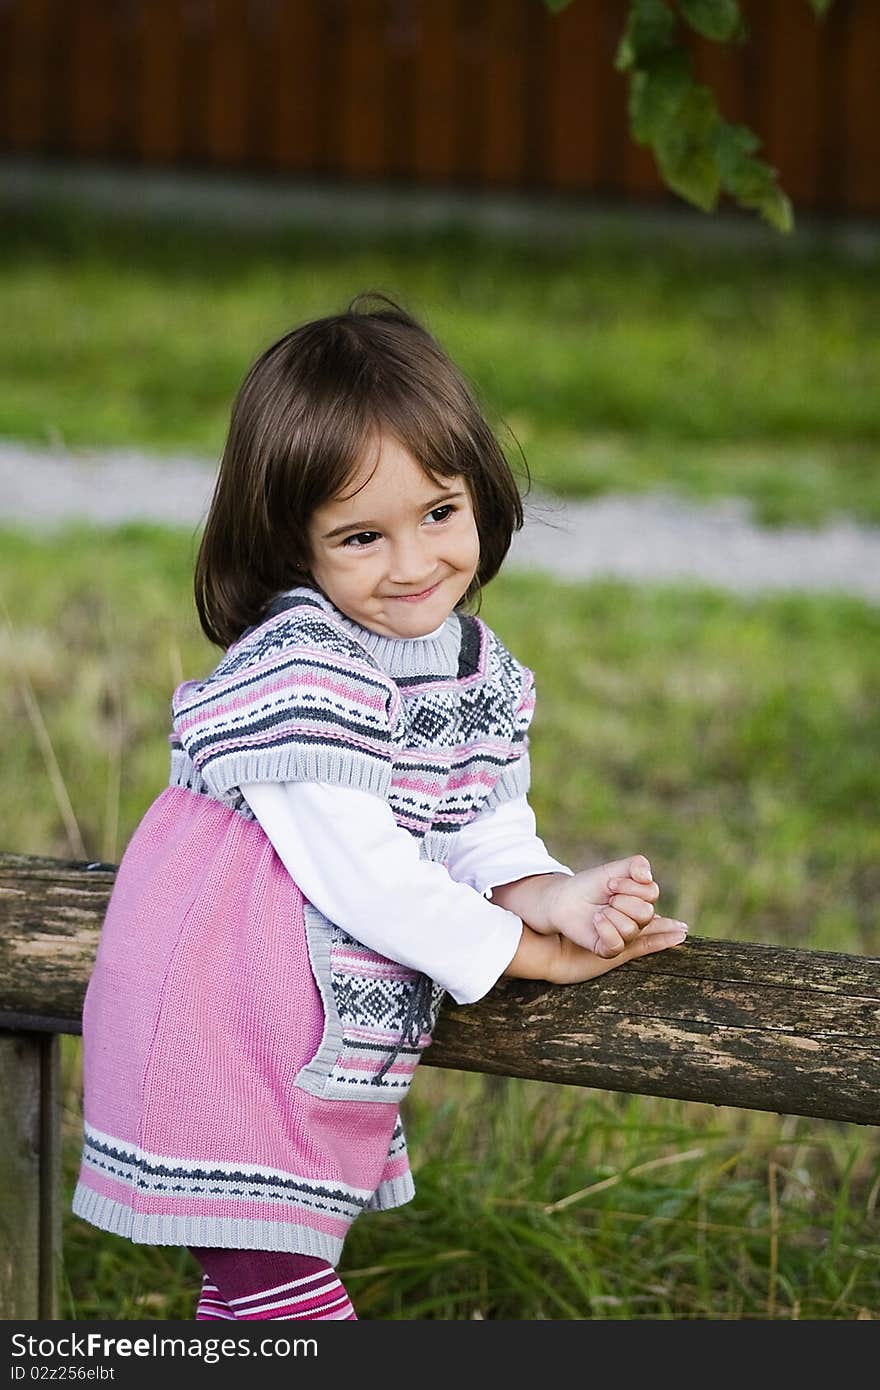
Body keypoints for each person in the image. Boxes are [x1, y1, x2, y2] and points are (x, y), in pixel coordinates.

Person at [72, 294, 688, 1322]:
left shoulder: (469, 663)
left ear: (479, 493)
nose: (412, 564)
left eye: (438, 513)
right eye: (360, 535)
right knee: (275, 1290)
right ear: (293, 542)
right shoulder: (297, 670)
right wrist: (527, 953)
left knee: (264, 1289)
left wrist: (549, 892)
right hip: (216, 1007)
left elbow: (479, 818)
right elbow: (371, 876)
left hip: (295, 1011)